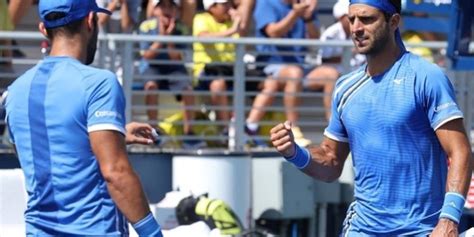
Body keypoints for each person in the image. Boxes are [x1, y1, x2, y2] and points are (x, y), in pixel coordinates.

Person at [270, 0, 472, 235]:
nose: (356, 28)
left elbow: (460, 152)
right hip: (362, 229)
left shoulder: (428, 77)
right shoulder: (345, 87)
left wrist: (448, 219)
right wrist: (295, 152)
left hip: (421, 229)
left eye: (367, 19)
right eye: (351, 19)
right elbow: (331, 162)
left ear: (393, 22)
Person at [4, 0, 163, 235]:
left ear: (42, 29)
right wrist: (152, 233)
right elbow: (115, 173)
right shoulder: (99, 83)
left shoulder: (15, 90)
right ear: (90, 20)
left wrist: (107, 136)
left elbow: (38, 154)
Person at [251, 0, 331, 147]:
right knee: (294, 74)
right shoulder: (266, 3)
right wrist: (295, 13)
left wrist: (307, 18)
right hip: (271, 65)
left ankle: (334, 130)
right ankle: (292, 128)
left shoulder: (303, 5)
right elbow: (273, 32)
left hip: (300, 66)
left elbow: (314, 37)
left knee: (330, 75)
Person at [139, 0, 206, 149]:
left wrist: (168, 38)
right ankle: (153, 131)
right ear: (155, 10)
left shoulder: (181, 28)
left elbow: (176, 57)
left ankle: (189, 134)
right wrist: (162, 36)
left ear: (176, 10)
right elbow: (147, 55)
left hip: (174, 68)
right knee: (151, 86)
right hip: (152, 67)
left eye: (171, 6)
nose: (167, 9)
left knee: (188, 90)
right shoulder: (146, 26)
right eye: (162, 5)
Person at [192, 0, 241, 137]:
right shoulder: (201, 18)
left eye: (229, 4)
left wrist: (237, 22)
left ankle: (250, 127)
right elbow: (204, 37)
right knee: (218, 85)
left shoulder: (231, 22)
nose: (229, 7)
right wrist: (232, 30)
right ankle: (226, 131)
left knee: (264, 82)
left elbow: (240, 40)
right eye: (224, 4)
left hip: (231, 71)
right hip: (206, 71)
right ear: (211, 7)